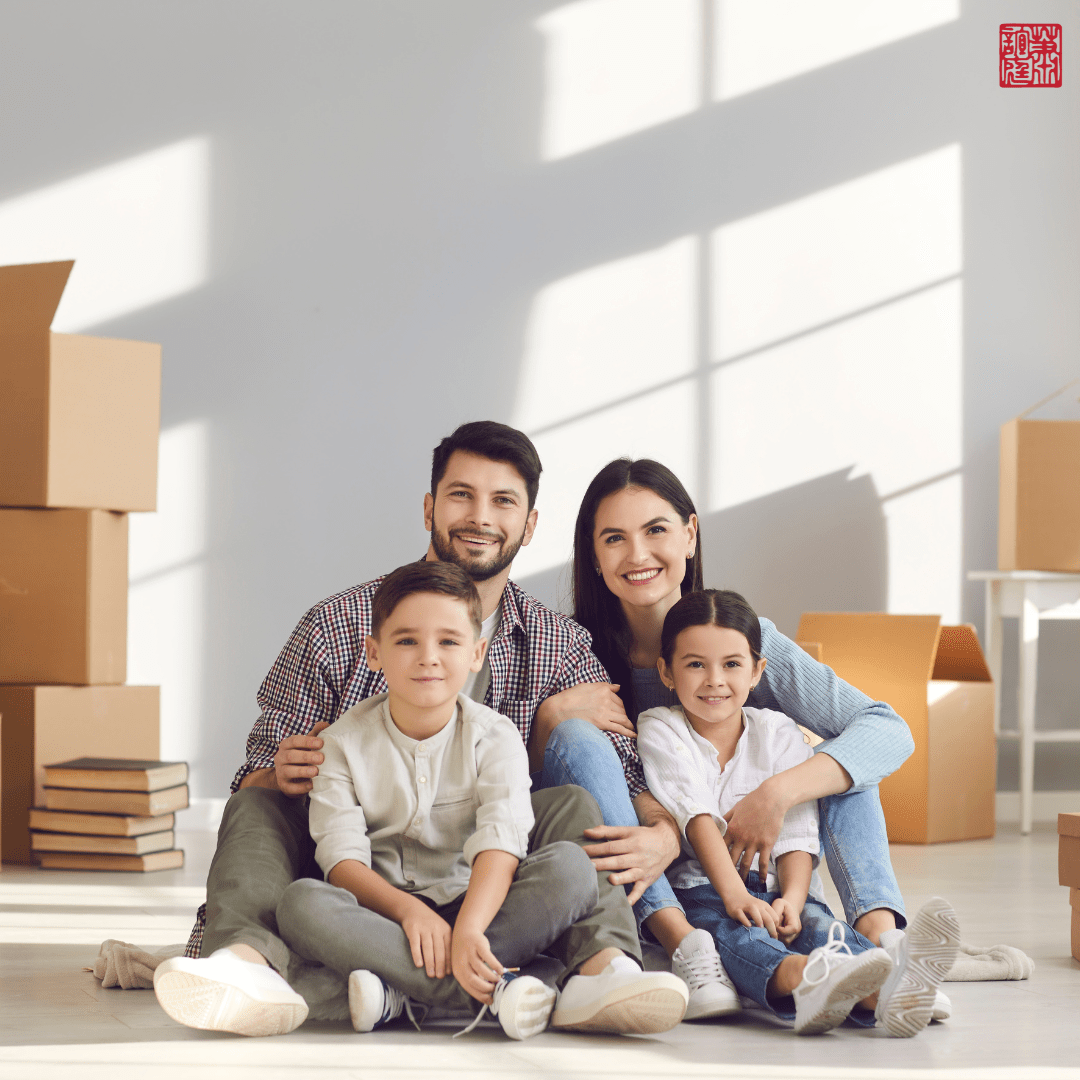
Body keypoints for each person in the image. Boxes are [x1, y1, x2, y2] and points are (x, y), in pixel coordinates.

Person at [154, 422, 692, 1036]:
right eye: (462, 496)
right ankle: (245, 962)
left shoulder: (559, 642)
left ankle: (603, 966)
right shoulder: (338, 625)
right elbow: (255, 772)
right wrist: (283, 769)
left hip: (488, 885)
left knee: (570, 803)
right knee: (254, 804)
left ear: (530, 524)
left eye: (503, 501)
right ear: (431, 507)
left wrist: (663, 831)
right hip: (361, 882)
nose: (480, 517)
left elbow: (620, 773)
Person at [568, 458, 951, 1020]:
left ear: (690, 534)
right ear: (594, 556)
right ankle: (756, 963)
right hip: (673, 878)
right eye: (614, 538)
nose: (638, 555)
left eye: (656, 530)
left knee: (845, 763)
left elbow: (887, 730)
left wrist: (777, 792)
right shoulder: (576, 651)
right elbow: (568, 773)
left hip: (767, 856)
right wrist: (667, 826)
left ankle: (885, 941)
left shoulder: (743, 637)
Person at [268, 562, 685, 1039]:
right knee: (301, 903)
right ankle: (502, 988)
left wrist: (467, 930)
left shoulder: (494, 734)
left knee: (571, 868)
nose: (428, 657)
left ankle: (403, 991)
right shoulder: (339, 744)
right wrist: (412, 913)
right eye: (406, 641)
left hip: (484, 908)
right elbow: (342, 861)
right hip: (385, 917)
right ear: (374, 652)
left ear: (475, 653)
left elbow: (501, 842)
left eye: (448, 642)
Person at [637, 589, 959, 1035]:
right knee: (735, 937)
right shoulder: (660, 726)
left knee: (817, 924)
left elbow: (798, 831)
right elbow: (697, 819)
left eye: (731, 664)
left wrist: (791, 896)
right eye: (696, 665)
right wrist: (736, 896)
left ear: (757, 672)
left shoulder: (777, 730)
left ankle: (888, 979)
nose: (714, 680)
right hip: (705, 888)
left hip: (779, 884)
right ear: (666, 673)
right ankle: (808, 979)